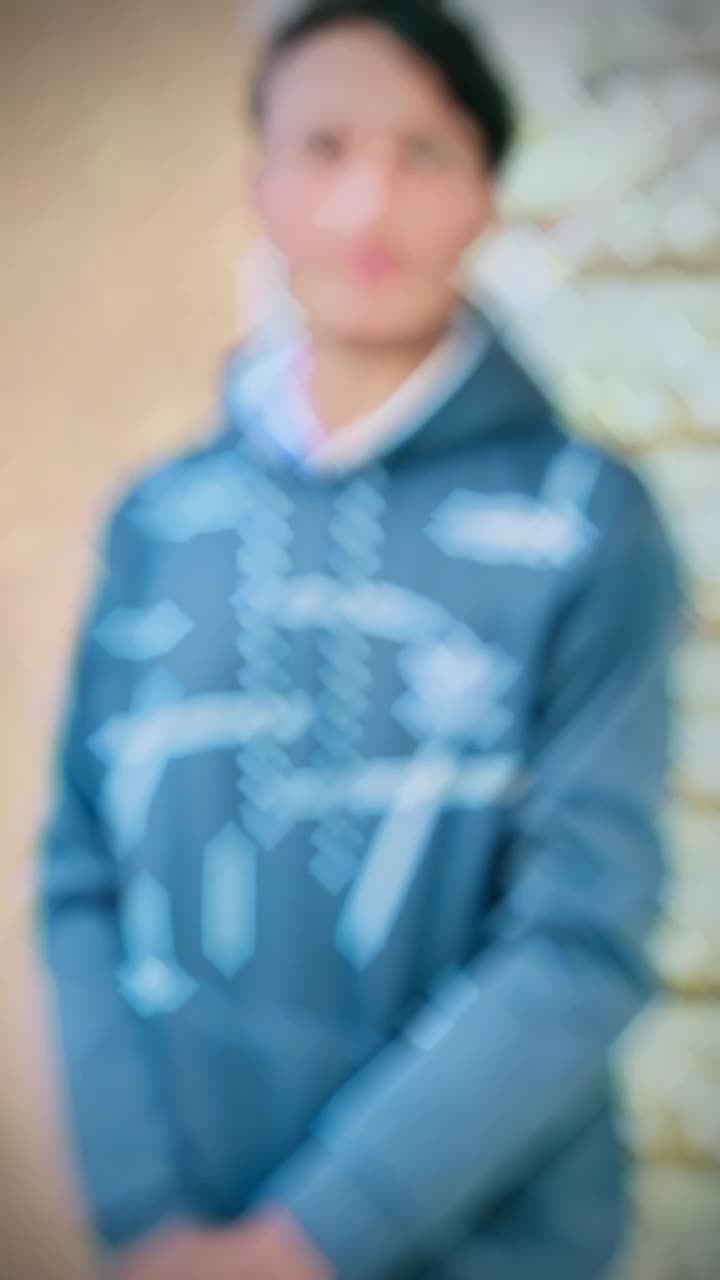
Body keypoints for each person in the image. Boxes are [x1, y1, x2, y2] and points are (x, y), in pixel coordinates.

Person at [35, 2, 685, 1278]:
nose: (365, 206)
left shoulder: (587, 522)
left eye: (423, 153)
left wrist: (306, 1241)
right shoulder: (164, 515)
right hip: (179, 1236)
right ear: (261, 183)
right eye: (322, 148)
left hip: (493, 1247)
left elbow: (582, 933)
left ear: (487, 193)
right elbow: (79, 873)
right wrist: (147, 1216)